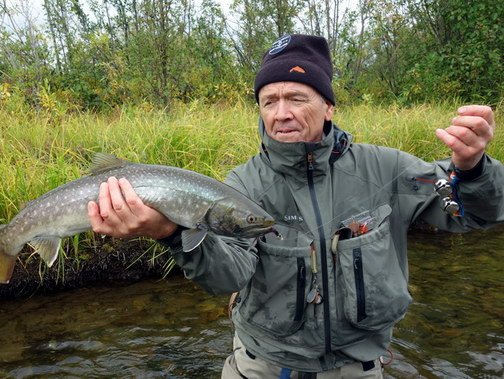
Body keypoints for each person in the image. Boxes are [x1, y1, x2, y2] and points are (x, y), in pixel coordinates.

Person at [87, 34, 503, 378]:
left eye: (297, 98)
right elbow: (227, 275)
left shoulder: (389, 169)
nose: (281, 113)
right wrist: (171, 233)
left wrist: (472, 169)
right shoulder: (242, 185)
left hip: (358, 367)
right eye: (269, 101)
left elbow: (470, 212)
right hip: (265, 366)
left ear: (328, 106)